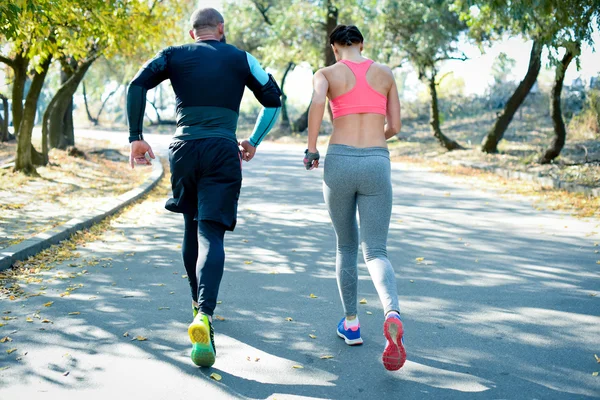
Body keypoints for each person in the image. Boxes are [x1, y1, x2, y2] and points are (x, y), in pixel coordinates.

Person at [126, 7, 281, 368]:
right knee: (211, 234)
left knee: (190, 228)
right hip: (222, 149)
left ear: (192, 32)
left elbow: (137, 84)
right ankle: (205, 316)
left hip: (183, 149)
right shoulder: (242, 58)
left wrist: (136, 137)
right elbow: (273, 100)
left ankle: (197, 307)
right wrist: (254, 140)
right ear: (221, 29)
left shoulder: (173, 55)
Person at [304, 25, 405, 371]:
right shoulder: (385, 73)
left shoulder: (327, 74)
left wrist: (312, 148)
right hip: (377, 160)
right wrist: (376, 137)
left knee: (346, 246)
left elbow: (318, 101)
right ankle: (392, 311)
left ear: (335, 48)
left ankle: (351, 324)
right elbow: (395, 126)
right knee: (376, 250)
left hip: (340, 160)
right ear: (362, 44)